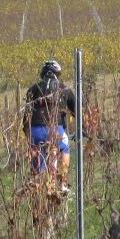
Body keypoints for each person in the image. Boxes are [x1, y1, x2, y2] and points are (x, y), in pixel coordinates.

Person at [24, 59, 77, 187]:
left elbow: (26, 118)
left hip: (35, 130)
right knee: (64, 147)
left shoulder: (33, 89)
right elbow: (77, 111)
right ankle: (63, 184)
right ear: (57, 74)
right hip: (55, 130)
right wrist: (83, 128)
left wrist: (28, 136)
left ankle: (35, 180)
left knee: (35, 149)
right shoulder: (64, 89)